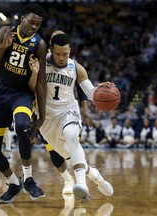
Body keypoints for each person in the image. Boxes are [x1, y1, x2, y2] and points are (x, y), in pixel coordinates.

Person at [30, 33, 113, 202]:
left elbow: (90, 92)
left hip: (68, 110)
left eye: (65, 54)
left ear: (70, 51)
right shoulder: (40, 61)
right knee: (69, 156)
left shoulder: (76, 67)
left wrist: (100, 90)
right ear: (51, 50)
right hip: (46, 118)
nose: (62, 58)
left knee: (71, 135)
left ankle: (81, 184)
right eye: (58, 54)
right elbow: (30, 87)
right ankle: (96, 176)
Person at [0, 3, 47, 203]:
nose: (34, 26)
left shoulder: (40, 44)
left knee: (21, 126)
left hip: (22, 93)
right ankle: (13, 182)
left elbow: (42, 82)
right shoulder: (5, 32)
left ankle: (28, 178)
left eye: (38, 24)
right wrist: (3, 48)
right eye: (32, 22)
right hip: (1, 91)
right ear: (22, 19)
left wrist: (42, 116)